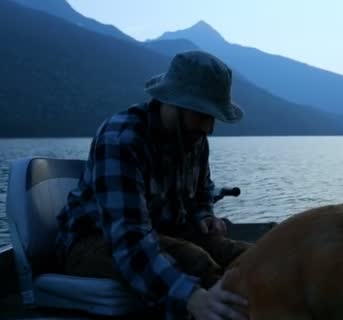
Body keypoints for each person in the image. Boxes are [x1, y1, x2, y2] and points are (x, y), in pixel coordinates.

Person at [55, 50, 250, 320]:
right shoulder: (122, 139)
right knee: (197, 262)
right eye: (202, 114)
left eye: (213, 116)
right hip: (93, 242)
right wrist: (192, 297)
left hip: (161, 232)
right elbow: (129, 240)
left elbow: (203, 188)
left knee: (249, 255)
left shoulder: (195, 139)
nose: (209, 127)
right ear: (172, 102)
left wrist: (204, 213)